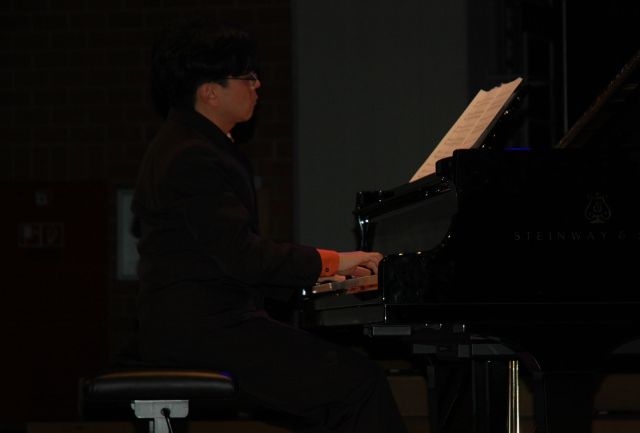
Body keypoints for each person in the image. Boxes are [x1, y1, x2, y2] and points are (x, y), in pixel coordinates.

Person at [131, 18, 408, 433]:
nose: (257, 85)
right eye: (247, 77)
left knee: (339, 387)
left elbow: (227, 253)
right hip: (205, 330)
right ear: (209, 92)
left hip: (198, 324)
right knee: (358, 384)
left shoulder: (190, 143)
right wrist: (334, 262)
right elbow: (242, 255)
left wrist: (323, 275)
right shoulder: (192, 155)